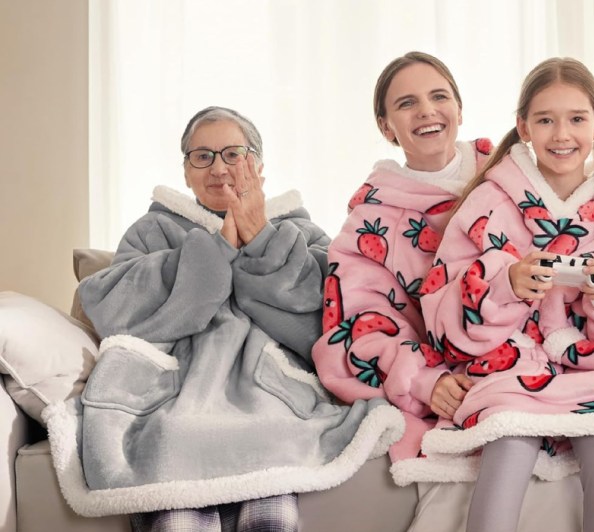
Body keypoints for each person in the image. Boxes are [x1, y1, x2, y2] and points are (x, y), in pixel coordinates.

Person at [61, 106, 402, 530]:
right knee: (176, 494)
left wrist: (261, 239)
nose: (218, 167)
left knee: (270, 511)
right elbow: (115, 306)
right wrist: (214, 250)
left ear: (258, 165)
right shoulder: (152, 231)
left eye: (233, 154)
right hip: (179, 393)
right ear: (186, 172)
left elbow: (328, 316)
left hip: (266, 395)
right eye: (202, 156)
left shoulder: (299, 232)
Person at [419, 57, 594, 532]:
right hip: (513, 364)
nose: (562, 134)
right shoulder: (490, 200)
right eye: (545, 120)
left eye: (577, 119)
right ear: (523, 127)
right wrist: (505, 283)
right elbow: (442, 293)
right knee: (507, 446)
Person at [311, 52, 491, 478]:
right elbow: (359, 322)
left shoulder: (510, 174)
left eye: (438, 96)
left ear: (459, 110)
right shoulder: (369, 220)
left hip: (524, 361)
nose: (427, 111)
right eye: (407, 103)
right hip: (442, 367)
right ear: (386, 126)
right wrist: (426, 381)